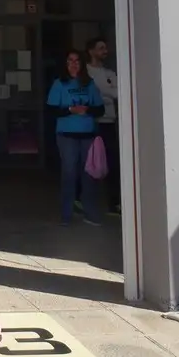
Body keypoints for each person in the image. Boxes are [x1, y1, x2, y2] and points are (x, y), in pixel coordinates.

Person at [46, 49, 106, 226]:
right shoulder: (59, 84)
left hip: (88, 135)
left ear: (81, 64)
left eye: (77, 61)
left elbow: (100, 109)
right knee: (69, 174)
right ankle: (66, 214)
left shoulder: (89, 84)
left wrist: (87, 109)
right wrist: (70, 110)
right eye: (70, 61)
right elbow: (51, 110)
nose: (73, 64)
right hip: (67, 136)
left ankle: (89, 212)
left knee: (89, 175)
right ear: (65, 64)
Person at [85, 37, 120, 216]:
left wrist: (104, 93)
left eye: (105, 48)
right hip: (89, 123)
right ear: (91, 51)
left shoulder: (110, 72)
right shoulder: (86, 71)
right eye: (101, 48)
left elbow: (118, 93)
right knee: (90, 162)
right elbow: (94, 93)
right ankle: (87, 202)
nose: (105, 51)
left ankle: (114, 203)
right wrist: (106, 92)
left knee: (112, 162)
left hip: (109, 122)